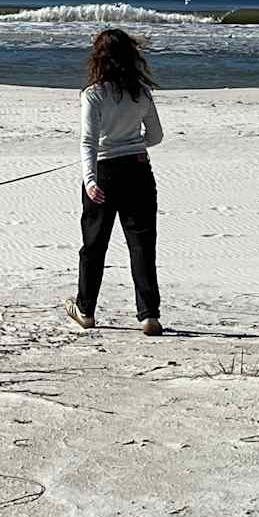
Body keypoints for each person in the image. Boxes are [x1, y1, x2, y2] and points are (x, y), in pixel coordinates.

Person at [64, 27, 163, 335]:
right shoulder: (141, 93)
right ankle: (148, 315)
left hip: (105, 172)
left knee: (94, 245)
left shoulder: (92, 94)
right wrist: (131, 145)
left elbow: (88, 142)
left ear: (99, 58)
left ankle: (86, 309)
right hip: (137, 169)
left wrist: (90, 180)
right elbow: (156, 136)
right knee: (141, 244)